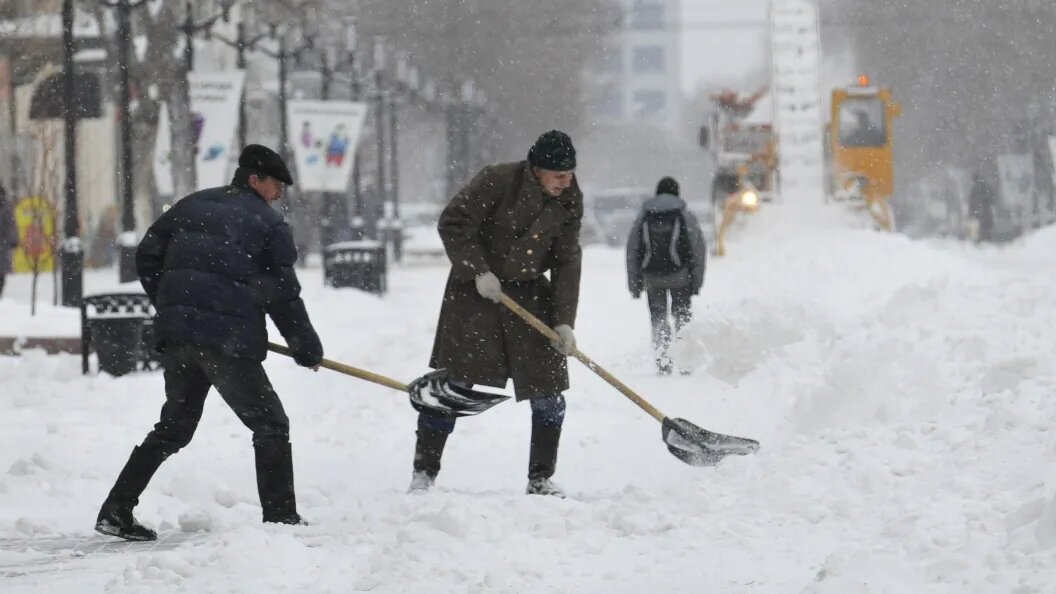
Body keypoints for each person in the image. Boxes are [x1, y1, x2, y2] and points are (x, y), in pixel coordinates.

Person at [95, 145, 324, 541]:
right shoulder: (268, 225)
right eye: (276, 185)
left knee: (173, 427)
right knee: (270, 424)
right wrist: (305, 345)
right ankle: (281, 519)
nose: (279, 194)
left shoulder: (192, 205)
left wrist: (175, 303)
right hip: (226, 342)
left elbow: (147, 257)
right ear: (255, 180)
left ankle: (116, 508)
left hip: (179, 336)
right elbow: (283, 295)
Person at [414, 130, 583, 497]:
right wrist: (477, 270)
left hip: (529, 299)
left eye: (569, 174)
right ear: (536, 170)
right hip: (478, 297)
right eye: (558, 175)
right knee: (453, 386)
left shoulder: (570, 198)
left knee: (549, 392)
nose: (565, 182)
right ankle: (423, 473)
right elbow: (453, 222)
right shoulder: (497, 180)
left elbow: (568, 258)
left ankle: (540, 478)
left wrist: (564, 320)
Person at [625, 177, 706, 375]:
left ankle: (663, 361)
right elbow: (698, 249)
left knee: (659, 319)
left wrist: (634, 284)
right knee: (682, 319)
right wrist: (696, 281)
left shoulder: (645, 215)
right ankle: (685, 363)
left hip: (652, 277)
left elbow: (633, 249)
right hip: (680, 276)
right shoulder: (684, 214)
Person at [0, 183, 17, 297]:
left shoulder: (6, 206)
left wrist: (13, 240)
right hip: (3, 244)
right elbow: (12, 224)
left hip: (2, 244)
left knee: (1, 274)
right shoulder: (6, 206)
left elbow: (11, 224)